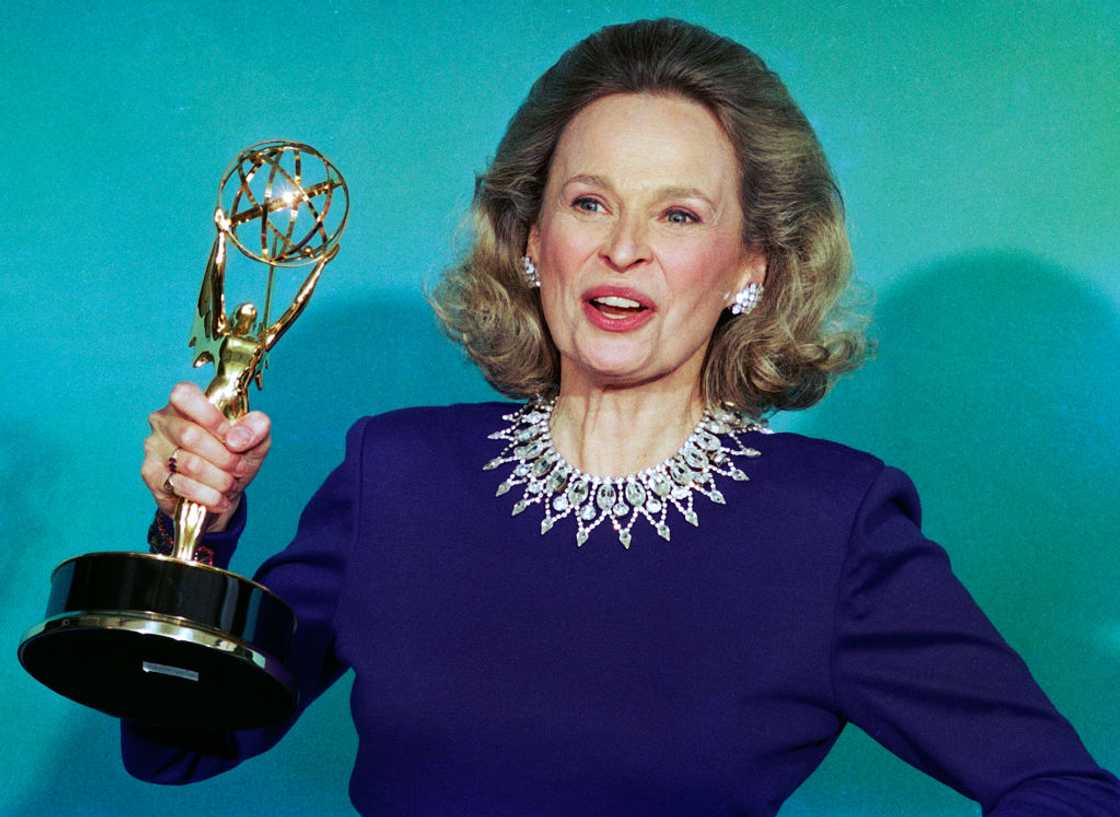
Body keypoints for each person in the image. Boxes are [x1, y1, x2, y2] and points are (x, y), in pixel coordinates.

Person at [126, 18, 1120, 816]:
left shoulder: (830, 526)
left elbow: (1061, 788)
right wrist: (195, 532)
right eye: (589, 202)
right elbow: (173, 744)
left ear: (750, 267)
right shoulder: (396, 472)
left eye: (679, 215)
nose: (624, 249)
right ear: (530, 238)